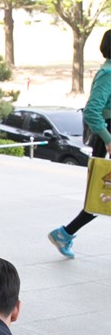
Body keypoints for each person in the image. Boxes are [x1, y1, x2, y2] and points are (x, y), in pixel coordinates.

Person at [48, 30, 111, 258]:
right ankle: (64, 233)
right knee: (101, 194)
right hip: (107, 140)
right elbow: (93, 111)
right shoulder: (107, 73)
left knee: (102, 195)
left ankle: (65, 233)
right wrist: (108, 140)